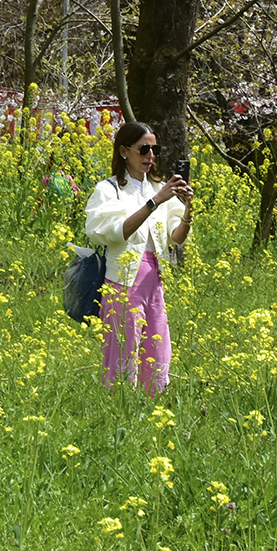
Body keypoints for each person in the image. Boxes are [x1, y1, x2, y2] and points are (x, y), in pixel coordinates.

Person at [84, 122, 192, 395]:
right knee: (122, 351)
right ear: (124, 151)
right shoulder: (109, 190)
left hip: (155, 283)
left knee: (158, 353)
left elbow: (176, 237)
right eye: (144, 148)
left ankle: (149, 411)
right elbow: (116, 231)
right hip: (122, 282)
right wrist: (155, 201)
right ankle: (117, 408)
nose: (151, 155)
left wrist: (188, 211)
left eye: (155, 149)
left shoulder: (158, 187)